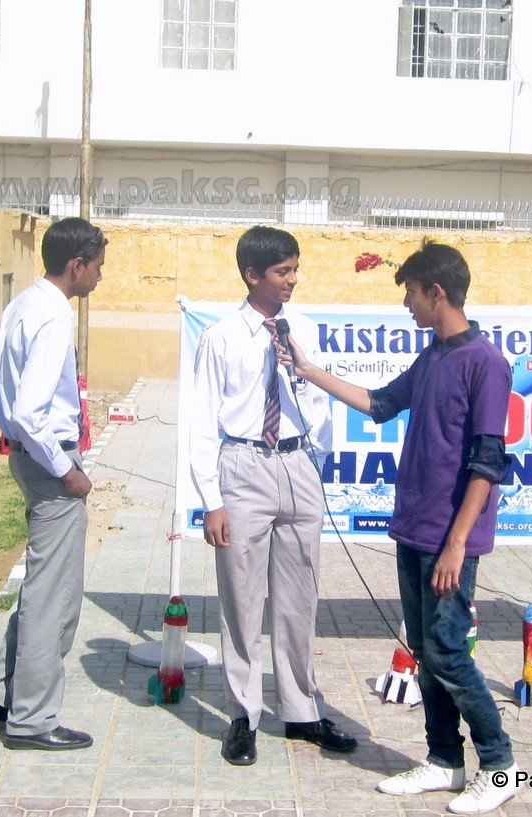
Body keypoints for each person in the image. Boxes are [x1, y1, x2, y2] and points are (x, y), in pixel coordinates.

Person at [278, 239, 519, 814]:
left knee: (448, 651)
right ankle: (443, 761)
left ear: (437, 292)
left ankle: (500, 762)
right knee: (424, 648)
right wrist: (308, 371)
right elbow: (381, 403)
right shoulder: (434, 356)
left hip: (449, 540)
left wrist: (457, 543)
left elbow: (488, 462)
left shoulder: (485, 363)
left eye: (411, 294)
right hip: (414, 530)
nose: (406, 305)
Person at [189, 225, 356, 767]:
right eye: (283, 271)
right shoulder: (221, 337)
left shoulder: (301, 329)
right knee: (241, 598)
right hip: (243, 467)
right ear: (252, 275)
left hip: (297, 462)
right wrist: (211, 499)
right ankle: (243, 713)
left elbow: (322, 407)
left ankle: (302, 710)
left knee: (299, 595)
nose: (292, 280)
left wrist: (302, 379)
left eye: (295, 269)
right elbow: (200, 422)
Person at [0, 216, 107, 751]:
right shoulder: (51, 316)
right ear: (76, 264)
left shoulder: (23, 303)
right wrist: (66, 470)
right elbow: (30, 409)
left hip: (28, 457)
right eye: (97, 268)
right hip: (49, 464)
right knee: (57, 600)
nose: (98, 278)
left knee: (41, 587)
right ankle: (33, 720)